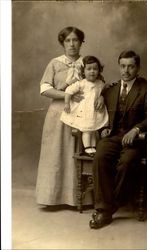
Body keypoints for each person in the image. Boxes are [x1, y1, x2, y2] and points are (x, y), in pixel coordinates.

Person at [89, 50, 147, 229]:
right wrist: (104, 127)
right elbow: (103, 111)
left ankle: (108, 208)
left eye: (130, 67)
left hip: (137, 140)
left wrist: (136, 130)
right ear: (119, 66)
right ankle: (105, 207)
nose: (126, 71)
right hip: (114, 136)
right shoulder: (111, 89)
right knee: (100, 156)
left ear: (138, 68)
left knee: (126, 163)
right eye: (122, 66)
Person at [36, 26, 104, 206]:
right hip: (59, 114)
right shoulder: (54, 63)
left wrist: (102, 97)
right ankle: (54, 198)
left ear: (81, 42)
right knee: (58, 154)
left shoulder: (87, 62)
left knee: (81, 150)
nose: (72, 44)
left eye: (75, 40)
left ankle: (82, 199)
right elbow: (44, 89)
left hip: (85, 116)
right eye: (68, 41)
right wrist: (68, 95)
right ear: (62, 43)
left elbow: (99, 84)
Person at [60, 56, 109, 157]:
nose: (92, 72)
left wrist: (102, 96)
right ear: (83, 71)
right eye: (89, 69)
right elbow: (68, 91)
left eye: (95, 69)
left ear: (99, 70)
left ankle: (93, 147)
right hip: (85, 111)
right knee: (87, 130)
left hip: (95, 111)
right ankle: (87, 147)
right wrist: (66, 103)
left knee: (94, 129)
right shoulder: (81, 83)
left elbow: (106, 91)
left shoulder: (100, 83)